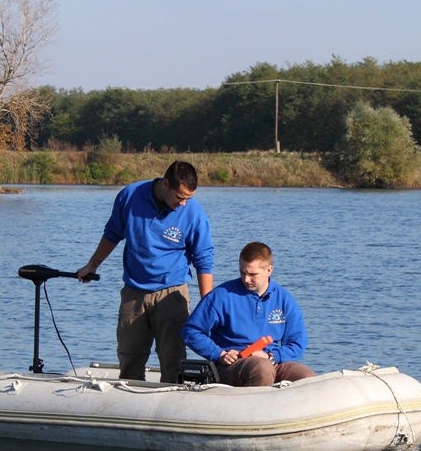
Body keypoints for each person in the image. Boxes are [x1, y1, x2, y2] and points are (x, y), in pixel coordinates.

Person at [77, 160, 214, 383]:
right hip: (134, 292)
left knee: (173, 360)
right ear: (165, 184)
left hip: (172, 293)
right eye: (180, 197)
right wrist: (92, 265)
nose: (183, 204)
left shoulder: (194, 213)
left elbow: (204, 259)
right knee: (129, 358)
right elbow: (112, 234)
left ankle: (170, 409)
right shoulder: (130, 196)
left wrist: (208, 302)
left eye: (188, 198)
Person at [182, 241, 315, 387]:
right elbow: (191, 331)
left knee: (305, 376)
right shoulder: (221, 296)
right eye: (242, 272)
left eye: (252, 274)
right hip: (231, 364)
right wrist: (219, 354)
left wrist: (272, 356)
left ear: (269, 270)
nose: (246, 279)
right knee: (261, 368)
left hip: (272, 360)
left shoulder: (285, 300)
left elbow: (297, 342)